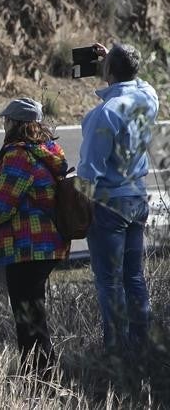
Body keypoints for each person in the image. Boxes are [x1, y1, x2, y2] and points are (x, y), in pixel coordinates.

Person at [0, 98, 70, 374]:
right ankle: (41, 375)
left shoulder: (18, 156)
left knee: (28, 319)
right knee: (32, 315)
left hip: (27, 245)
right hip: (47, 242)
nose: (4, 125)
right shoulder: (48, 149)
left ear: (15, 123)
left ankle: (40, 378)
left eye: (6, 120)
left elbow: (3, 203)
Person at [77, 42, 160, 350]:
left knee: (109, 281)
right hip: (137, 196)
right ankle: (141, 343)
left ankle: (116, 348)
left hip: (109, 203)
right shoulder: (148, 98)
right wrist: (114, 59)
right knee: (133, 276)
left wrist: (80, 208)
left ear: (109, 69)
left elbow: (89, 170)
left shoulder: (104, 113)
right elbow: (140, 80)